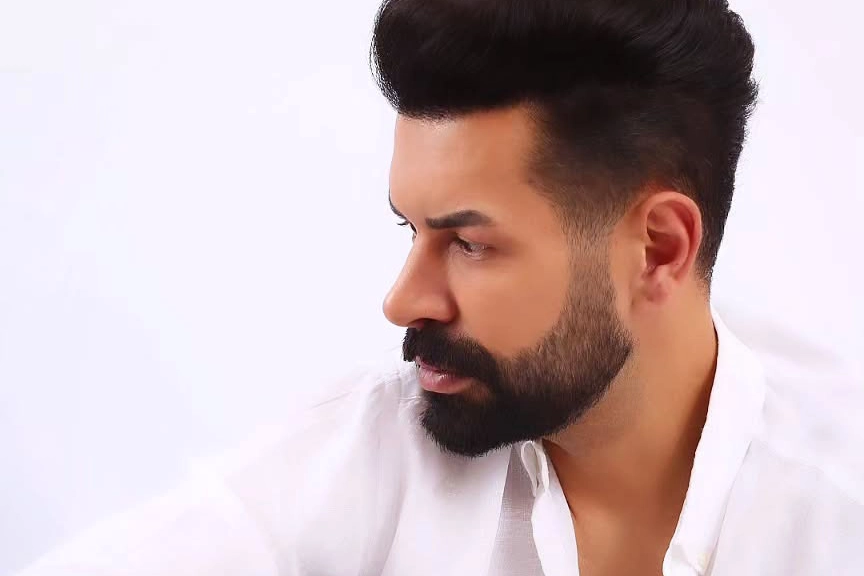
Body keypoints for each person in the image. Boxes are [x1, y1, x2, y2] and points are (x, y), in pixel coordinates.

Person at [18, 0, 864, 575]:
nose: (402, 301)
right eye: (410, 230)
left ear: (659, 248)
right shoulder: (374, 455)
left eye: (469, 243)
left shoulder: (837, 503)